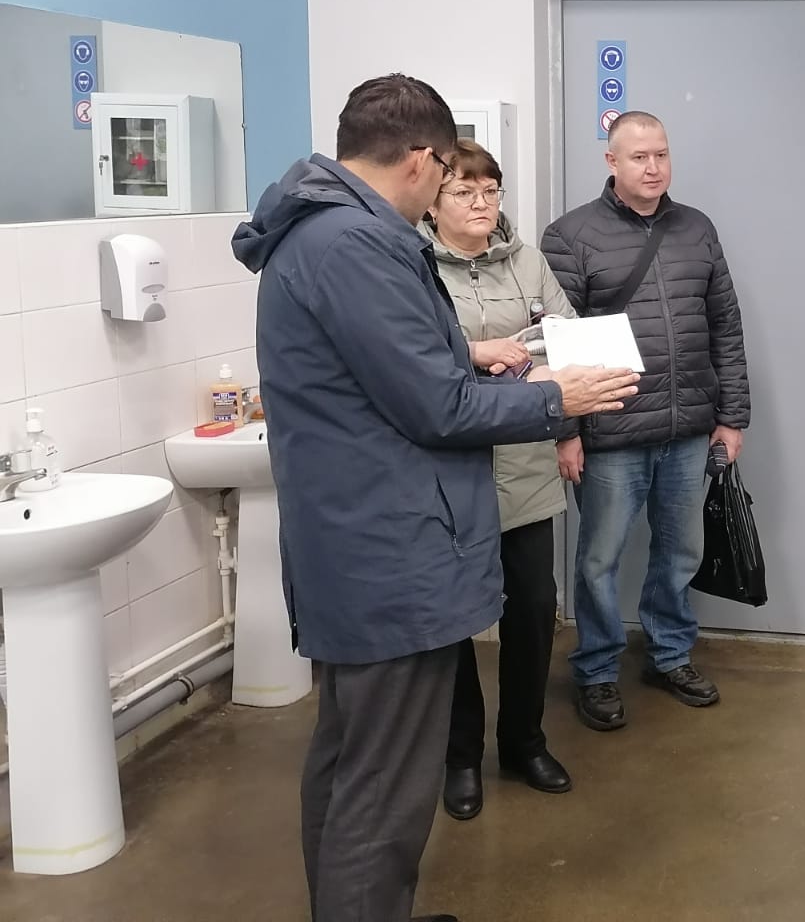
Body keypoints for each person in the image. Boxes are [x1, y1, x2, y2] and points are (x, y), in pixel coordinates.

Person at [232, 74, 640, 922]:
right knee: (383, 788)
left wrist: (473, 356)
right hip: (388, 554)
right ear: (422, 160)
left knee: (352, 763)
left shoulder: (324, 232)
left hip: (363, 544)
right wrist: (556, 398)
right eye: (450, 173)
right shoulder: (353, 244)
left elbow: (392, 377)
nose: (452, 190)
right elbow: (436, 409)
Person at [540, 110, 750, 731]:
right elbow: (555, 343)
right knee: (599, 560)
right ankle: (597, 670)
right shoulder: (570, 236)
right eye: (639, 156)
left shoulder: (697, 228)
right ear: (612, 161)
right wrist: (566, 432)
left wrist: (732, 416)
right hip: (611, 433)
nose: (653, 167)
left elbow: (725, 327)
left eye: (661, 154)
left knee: (681, 551)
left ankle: (670, 654)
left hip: (688, 429)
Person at [422, 138, 579, 821]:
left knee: (533, 610)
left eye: (491, 190)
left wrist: (564, 416)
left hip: (524, 464)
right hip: (448, 472)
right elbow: (408, 355)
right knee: (454, 621)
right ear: (433, 202)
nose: (482, 203)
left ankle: (523, 742)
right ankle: (460, 757)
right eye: (464, 191)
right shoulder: (412, 264)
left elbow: (565, 334)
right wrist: (477, 352)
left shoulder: (528, 261)